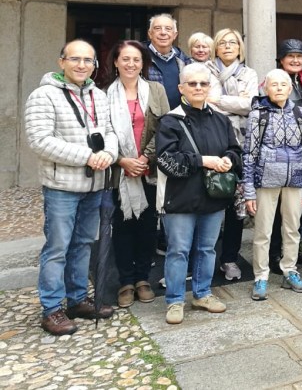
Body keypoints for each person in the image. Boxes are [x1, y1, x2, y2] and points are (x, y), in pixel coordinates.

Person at [25, 39, 119, 335]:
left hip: (94, 184)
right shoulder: (44, 95)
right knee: (57, 247)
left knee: (83, 244)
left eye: (88, 60)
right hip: (62, 186)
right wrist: (87, 156)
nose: (82, 65)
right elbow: (40, 140)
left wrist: (109, 153)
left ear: (95, 65)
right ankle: (51, 308)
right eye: (75, 59)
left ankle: (77, 299)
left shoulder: (98, 95)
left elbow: (110, 131)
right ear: (61, 62)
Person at [156, 63, 243, 325]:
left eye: (203, 83)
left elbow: (235, 150)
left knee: (207, 249)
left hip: (213, 197)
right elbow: (166, 160)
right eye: (192, 84)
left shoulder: (221, 119)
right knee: (178, 251)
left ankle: (202, 294)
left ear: (209, 87)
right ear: (181, 88)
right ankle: (174, 300)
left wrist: (228, 160)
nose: (198, 88)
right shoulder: (170, 121)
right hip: (180, 197)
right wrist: (203, 161)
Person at [242, 69, 302, 301]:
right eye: (274, 85)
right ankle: (261, 275)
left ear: (290, 88)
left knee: (292, 228)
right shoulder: (258, 115)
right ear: (266, 88)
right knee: (263, 231)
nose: (279, 88)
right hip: (266, 179)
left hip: (295, 178)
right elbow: (249, 153)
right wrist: (248, 190)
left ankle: (290, 269)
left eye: (283, 84)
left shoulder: (300, 113)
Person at [105, 40, 170, 309]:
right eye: (125, 59)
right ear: (116, 62)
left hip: (148, 170)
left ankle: (143, 278)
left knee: (147, 225)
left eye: (136, 59)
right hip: (118, 172)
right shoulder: (104, 94)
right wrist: (122, 161)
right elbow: (102, 132)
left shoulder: (156, 90)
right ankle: (125, 281)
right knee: (122, 226)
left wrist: (144, 159)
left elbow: (165, 126)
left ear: (143, 64)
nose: (131, 64)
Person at [206, 29, 259, 282]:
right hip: (210, 140)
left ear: (240, 48)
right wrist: (235, 100)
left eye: (232, 43)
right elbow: (204, 102)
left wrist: (219, 100)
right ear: (216, 48)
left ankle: (229, 258)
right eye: (222, 43)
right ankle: (202, 260)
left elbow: (250, 105)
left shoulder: (249, 73)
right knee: (208, 201)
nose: (227, 46)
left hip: (241, 143)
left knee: (236, 206)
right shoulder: (204, 71)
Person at [146, 14, 192, 109]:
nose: (163, 32)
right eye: (158, 28)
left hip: (179, 116)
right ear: (150, 34)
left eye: (168, 29)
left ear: (175, 35)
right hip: (149, 116)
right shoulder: (139, 58)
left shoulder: (184, 61)